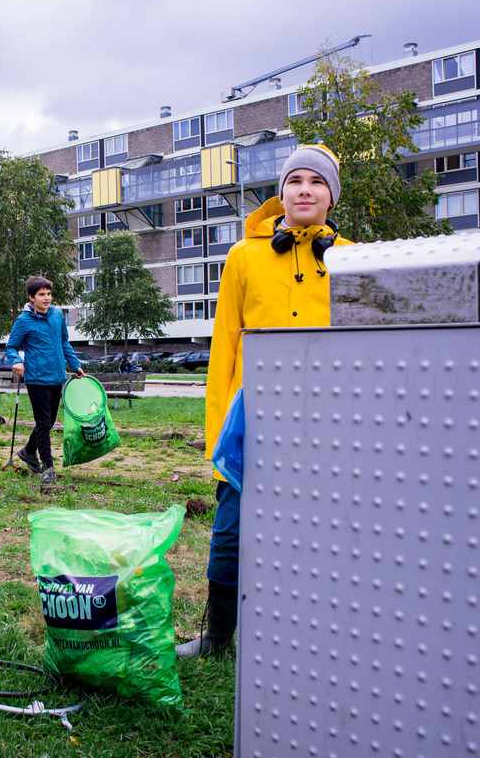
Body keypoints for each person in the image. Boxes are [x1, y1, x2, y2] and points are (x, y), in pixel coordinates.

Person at [178, 144, 352, 657]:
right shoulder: (243, 255)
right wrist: (217, 445)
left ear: (331, 196)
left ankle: (308, 635)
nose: (304, 189)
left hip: (327, 419)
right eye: (295, 180)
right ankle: (217, 637)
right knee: (231, 533)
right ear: (280, 193)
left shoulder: (353, 257)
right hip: (249, 421)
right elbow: (224, 350)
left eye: (317, 182)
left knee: (320, 534)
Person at [5, 276, 86, 485]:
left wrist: (75, 364)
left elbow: (64, 343)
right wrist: (17, 361)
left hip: (57, 376)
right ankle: (48, 467)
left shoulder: (57, 316)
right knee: (43, 423)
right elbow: (11, 347)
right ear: (32, 297)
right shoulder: (23, 321)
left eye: (49, 294)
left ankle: (28, 451)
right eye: (42, 294)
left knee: (48, 423)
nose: (47, 298)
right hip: (37, 378)